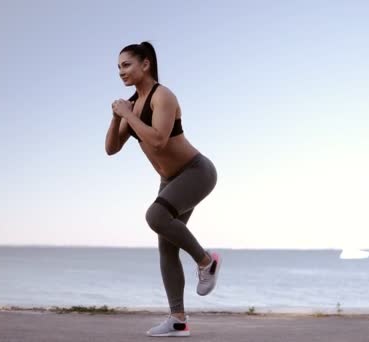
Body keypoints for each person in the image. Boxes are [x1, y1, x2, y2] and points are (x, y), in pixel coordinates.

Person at [105, 41, 222, 337]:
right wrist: (117, 116)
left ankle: (207, 261)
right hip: (169, 180)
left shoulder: (163, 96)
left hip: (196, 171)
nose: (121, 71)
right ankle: (178, 319)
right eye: (118, 67)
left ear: (145, 64)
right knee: (166, 246)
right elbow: (111, 148)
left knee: (155, 217)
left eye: (126, 64)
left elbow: (158, 139)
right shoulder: (133, 105)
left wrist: (129, 115)